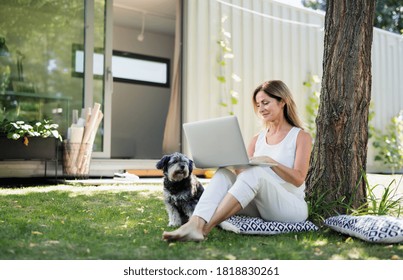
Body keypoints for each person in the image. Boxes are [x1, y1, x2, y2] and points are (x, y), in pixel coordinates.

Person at [162, 80, 312, 242]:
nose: (261, 109)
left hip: (290, 206)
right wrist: (230, 161)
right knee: (223, 174)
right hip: (259, 205)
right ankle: (194, 222)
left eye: (265, 103)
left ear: (282, 101)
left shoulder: (301, 136)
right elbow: (244, 175)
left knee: (256, 172)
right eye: (258, 104)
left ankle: (204, 228)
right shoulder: (257, 139)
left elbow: (298, 179)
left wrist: (269, 161)